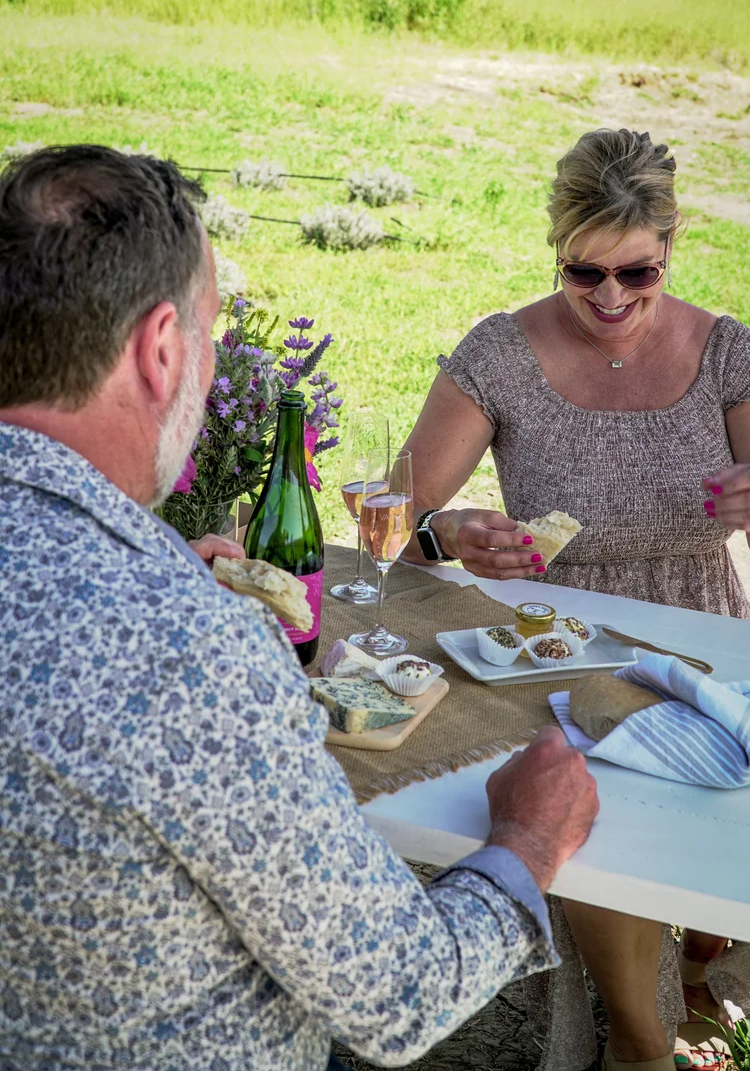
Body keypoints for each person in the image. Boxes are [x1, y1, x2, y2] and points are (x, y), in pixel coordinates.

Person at [0, 145, 598, 1071]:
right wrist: (528, 839)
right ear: (161, 350)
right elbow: (398, 992)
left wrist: (152, 568)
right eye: (208, 331)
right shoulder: (189, 653)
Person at [402, 128, 750, 1071]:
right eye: (583, 272)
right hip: (559, 646)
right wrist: (450, 532)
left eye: (638, 273)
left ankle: (698, 965)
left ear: (672, 244)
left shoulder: (728, 354)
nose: (610, 298)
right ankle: (640, 1043)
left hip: (703, 638)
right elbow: (396, 514)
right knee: (599, 808)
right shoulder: (501, 352)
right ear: (556, 248)